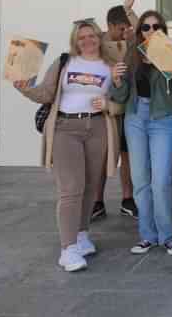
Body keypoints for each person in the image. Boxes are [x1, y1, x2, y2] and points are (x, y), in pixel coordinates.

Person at [14, 19, 118, 272]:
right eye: (81, 37)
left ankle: (81, 234)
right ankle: (67, 248)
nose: (87, 41)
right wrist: (25, 88)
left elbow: (122, 101)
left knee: (91, 187)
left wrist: (109, 105)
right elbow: (46, 94)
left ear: (98, 37)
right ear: (75, 40)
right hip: (65, 128)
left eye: (91, 36)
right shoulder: (64, 62)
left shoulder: (111, 65)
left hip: (98, 128)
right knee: (71, 188)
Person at [110, 10, 172, 257]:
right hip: (135, 117)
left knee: (161, 181)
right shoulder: (132, 54)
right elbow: (121, 95)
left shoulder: (171, 54)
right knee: (141, 180)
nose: (151, 31)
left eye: (156, 27)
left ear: (163, 31)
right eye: (145, 27)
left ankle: (167, 235)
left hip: (163, 119)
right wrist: (116, 81)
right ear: (139, 32)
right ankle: (147, 235)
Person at [93, 0, 138, 221]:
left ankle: (127, 199)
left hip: (127, 106)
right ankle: (97, 201)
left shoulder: (132, 42)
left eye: (127, 28)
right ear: (109, 25)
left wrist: (129, 9)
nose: (124, 32)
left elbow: (146, 35)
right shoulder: (97, 44)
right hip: (104, 108)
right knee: (101, 155)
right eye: (120, 29)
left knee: (127, 155)